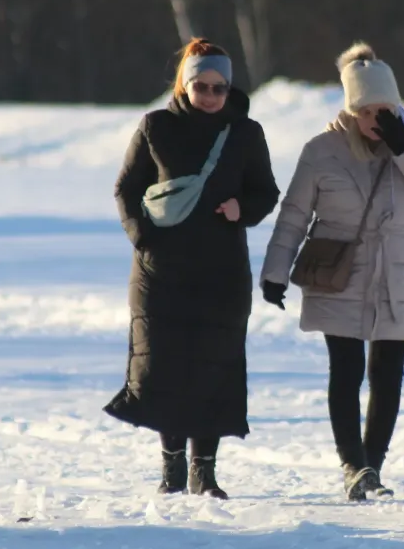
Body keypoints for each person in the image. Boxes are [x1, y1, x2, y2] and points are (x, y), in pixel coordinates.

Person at [260, 44, 404, 501]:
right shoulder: (322, 151)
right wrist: (275, 271)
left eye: (385, 109)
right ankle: (353, 464)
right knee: (345, 371)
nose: (376, 119)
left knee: (388, 374)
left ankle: (373, 465)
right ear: (351, 110)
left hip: (398, 275)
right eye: (367, 111)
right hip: (340, 274)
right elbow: (294, 215)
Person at [104, 39, 279, 498]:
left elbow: (266, 192)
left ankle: (206, 471)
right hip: (161, 271)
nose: (210, 96)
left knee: (212, 366)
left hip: (220, 271)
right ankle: (172, 468)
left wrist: (244, 207)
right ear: (185, 85)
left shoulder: (245, 132)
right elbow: (126, 189)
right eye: (201, 86)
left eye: (219, 88)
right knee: (166, 367)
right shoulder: (155, 127)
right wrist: (143, 238)